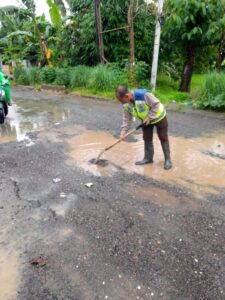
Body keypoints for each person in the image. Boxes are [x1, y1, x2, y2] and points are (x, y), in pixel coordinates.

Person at [116, 85, 172, 170]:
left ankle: (168, 160)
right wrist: (123, 132)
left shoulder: (143, 95)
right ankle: (148, 158)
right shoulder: (125, 104)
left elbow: (156, 104)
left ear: (127, 96)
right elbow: (127, 119)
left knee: (163, 137)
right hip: (145, 121)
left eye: (123, 101)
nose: (123, 104)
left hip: (159, 117)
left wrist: (149, 116)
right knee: (147, 138)